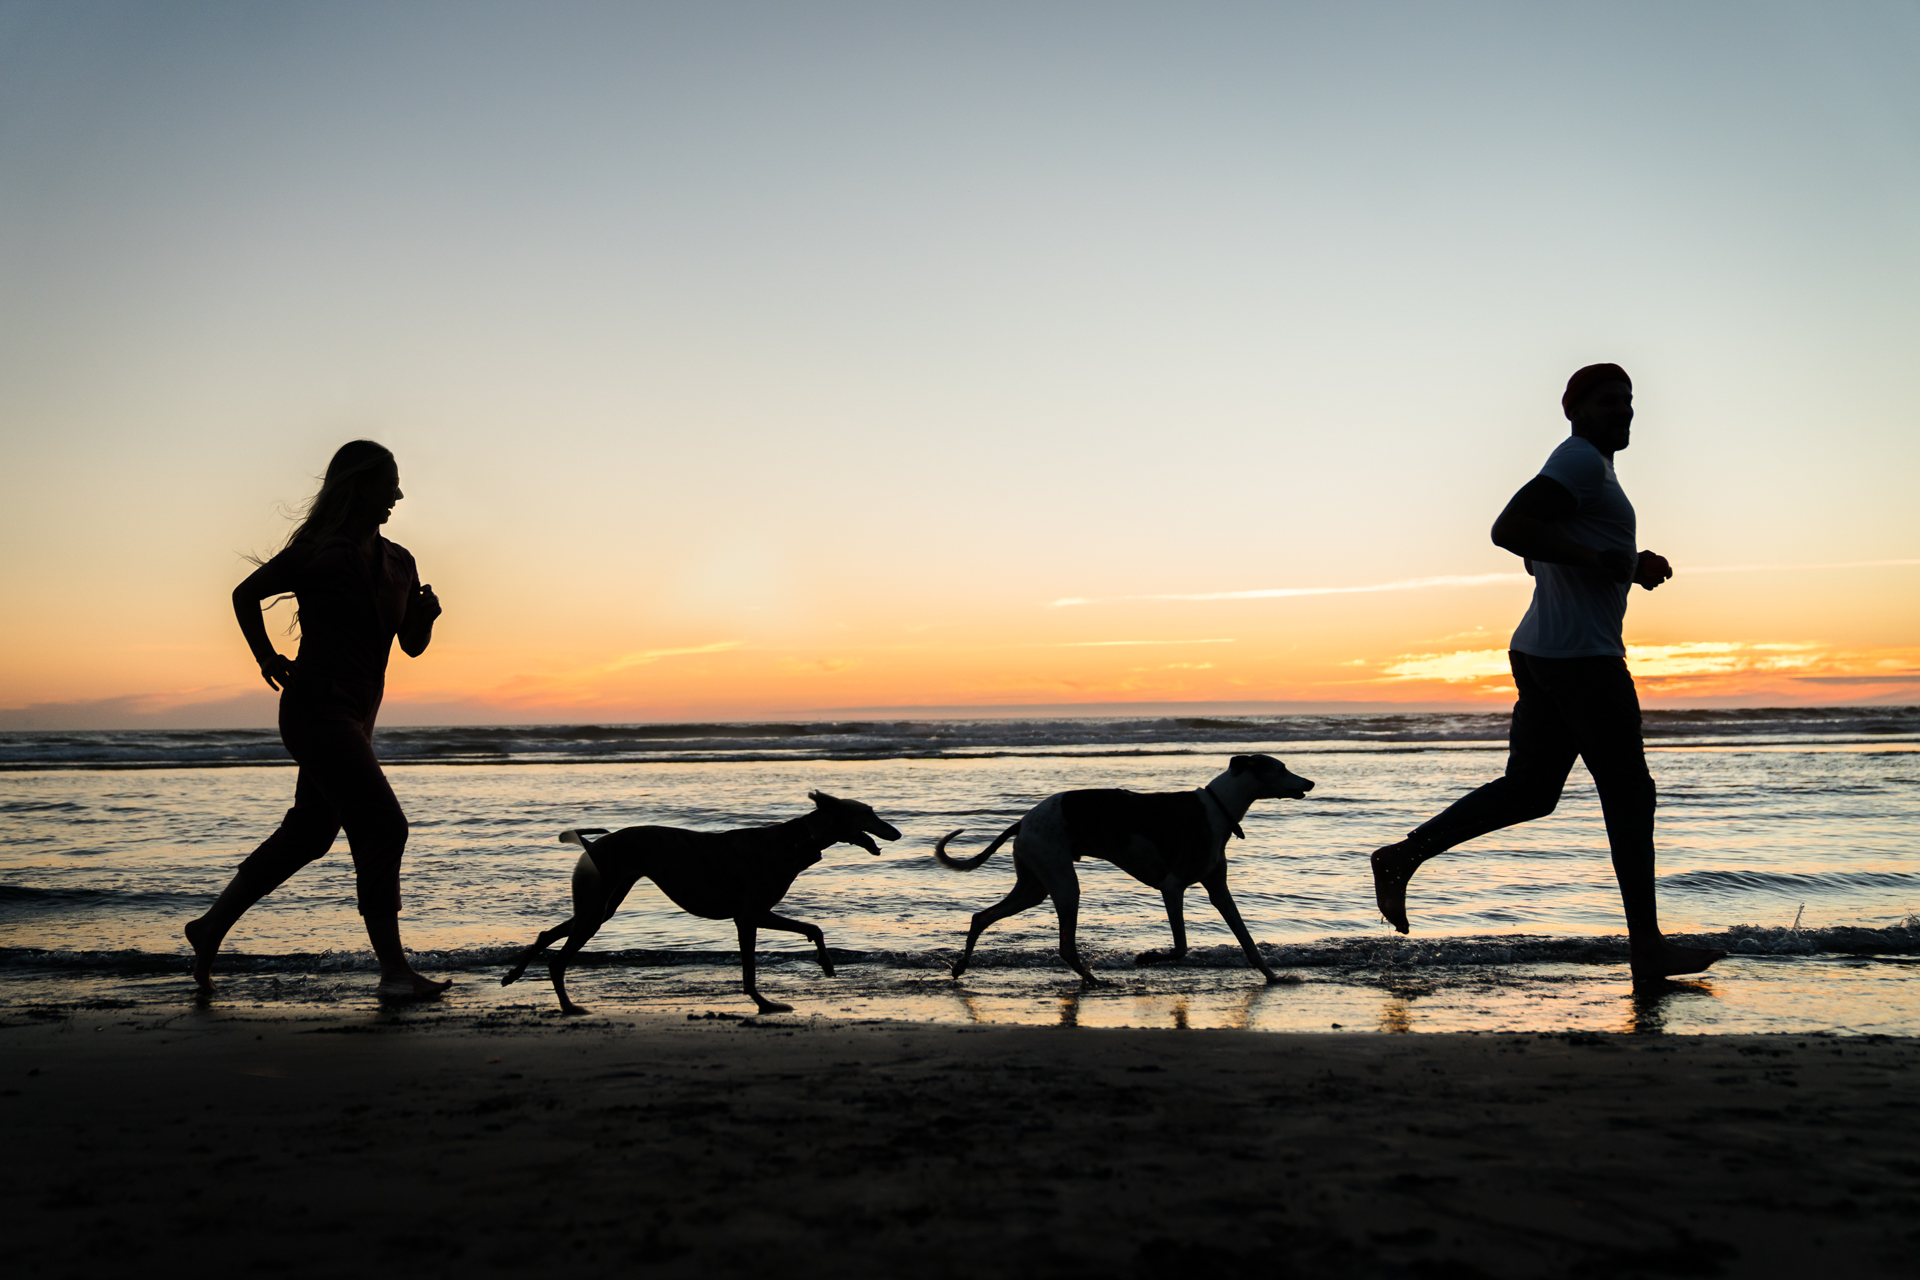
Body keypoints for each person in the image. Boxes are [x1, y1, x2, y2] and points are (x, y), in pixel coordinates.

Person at [1369, 364, 1725, 984]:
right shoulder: (1580, 462)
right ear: (1575, 410)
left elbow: (1540, 554)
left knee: (1531, 792)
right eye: (1608, 401)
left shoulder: (1588, 471)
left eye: (1629, 400)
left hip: (1542, 650)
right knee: (1629, 794)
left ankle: (1403, 856)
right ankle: (1648, 949)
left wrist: (1626, 562)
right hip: (1581, 658)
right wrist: (1605, 559)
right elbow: (1509, 530)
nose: (1624, 410)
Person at [186, 440, 451, 996]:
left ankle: (209, 927)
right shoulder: (318, 551)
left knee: (309, 833)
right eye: (390, 484)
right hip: (314, 708)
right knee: (384, 826)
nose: (399, 495)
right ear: (360, 485)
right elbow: (245, 594)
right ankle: (394, 971)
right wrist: (266, 657)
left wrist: (425, 618)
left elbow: (410, 646)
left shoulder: (401, 561)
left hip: (359, 714)